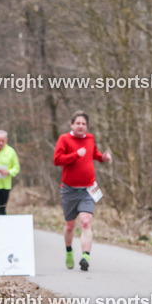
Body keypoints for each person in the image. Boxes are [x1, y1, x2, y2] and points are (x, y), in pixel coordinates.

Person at [53, 110, 110, 271]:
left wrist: (103, 158)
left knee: (86, 221)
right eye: (78, 123)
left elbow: (94, 154)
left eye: (83, 124)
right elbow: (57, 160)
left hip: (88, 189)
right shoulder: (64, 139)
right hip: (69, 190)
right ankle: (69, 251)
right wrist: (75, 155)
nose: (80, 126)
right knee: (70, 226)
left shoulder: (90, 138)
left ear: (87, 126)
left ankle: (85, 257)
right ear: (72, 125)